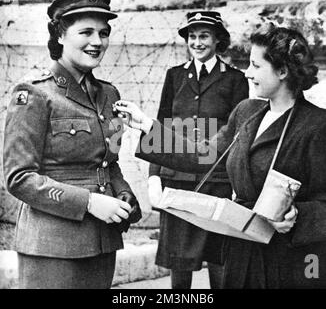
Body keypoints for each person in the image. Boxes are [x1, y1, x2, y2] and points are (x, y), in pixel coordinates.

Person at [115, 24, 326, 288]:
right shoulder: (246, 112)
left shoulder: (317, 125)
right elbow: (203, 154)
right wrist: (147, 125)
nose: (247, 74)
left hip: (290, 261)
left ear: (282, 71)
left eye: (256, 66)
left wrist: (298, 215)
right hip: (241, 253)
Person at [3, 0, 141, 289]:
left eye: (103, 33)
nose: (97, 42)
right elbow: (18, 177)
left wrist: (124, 194)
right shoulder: (34, 94)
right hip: (53, 248)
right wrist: (89, 202)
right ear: (61, 36)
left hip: (103, 243)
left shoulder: (109, 95)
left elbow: (110, 162)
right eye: (86, 32)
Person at [147, 11, 248, 289]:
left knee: (219, 256)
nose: (197, 42)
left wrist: (239, 180)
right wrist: (154, 175)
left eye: (204, 36)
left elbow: (240, 131)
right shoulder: (175, 75)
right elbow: (162, 123)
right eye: (192, 36)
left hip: (216, 178)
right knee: (178, 257)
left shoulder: (235, 79)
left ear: (218, 40)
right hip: (176, 176)